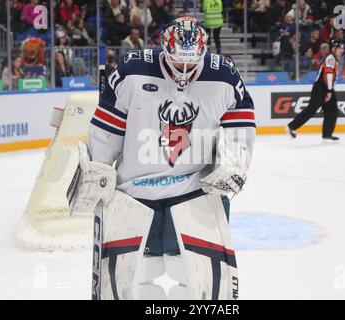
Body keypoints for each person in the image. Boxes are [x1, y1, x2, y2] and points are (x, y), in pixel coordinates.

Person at [67, 17, 255, 300]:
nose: (184, 71)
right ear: (164, 50)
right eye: (178, 63)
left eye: (192, 64)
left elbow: (242, 125)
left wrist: (237, 158)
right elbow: (106, 131)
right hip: (135, 196)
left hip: (195, 196)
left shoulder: (224, 75)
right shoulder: (133, 70)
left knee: (197, 287)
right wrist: (99, 169)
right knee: (138, 284)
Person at [286, 40, 344, 141]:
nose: (341, 51)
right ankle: (291, 126)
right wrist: (329, 91)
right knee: (311, 109)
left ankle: (327, 133)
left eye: (342, 49)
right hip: (321, 88)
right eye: (339, 49)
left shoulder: (334, 59)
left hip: (327, 87)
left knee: (332, 111)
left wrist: (330, 90)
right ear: (334, 49)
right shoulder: (330, 59)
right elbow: (328, 75)